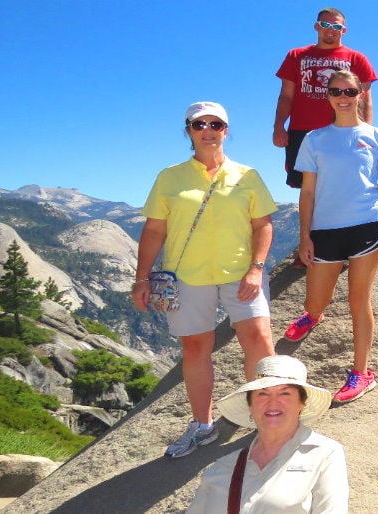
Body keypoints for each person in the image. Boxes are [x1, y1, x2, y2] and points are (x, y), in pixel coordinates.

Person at [133, 101, 277, 459]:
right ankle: (203, 425)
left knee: (258, 338)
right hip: (188, 276)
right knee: (196, 347)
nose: (208, 130)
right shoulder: (170, 177)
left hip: (240, 272)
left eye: (216, 124)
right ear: (189, 131)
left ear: (226, 131)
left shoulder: (247, 175)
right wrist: (142, 278)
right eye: (200, 125)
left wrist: (257, 267)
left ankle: (269, 418)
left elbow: (263, 225)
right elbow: (154, 231)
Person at [282, 69, 378, 404]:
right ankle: (314, 315)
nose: (343, 97)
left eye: (349, 91)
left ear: (361, 93)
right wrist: (304, 236)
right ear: (328, 96)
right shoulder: (315, 139)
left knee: (358, 300)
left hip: (367, 225)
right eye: (336, 91)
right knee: (314, 301)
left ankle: (361, 373)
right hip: (325, 229)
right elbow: (307, 193)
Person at [186, 355, 347, 513]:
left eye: (285, 393)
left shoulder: (324, 454)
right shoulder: (222, 467)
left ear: (302, 403)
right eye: (262, 394)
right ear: (250, 405)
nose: (272, 402)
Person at [273, 7, 378, 191]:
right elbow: (286, 96)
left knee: (345, 184)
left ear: (344, 30)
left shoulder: (357, 58)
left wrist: (367, 132)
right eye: (325, 24)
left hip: (344, 131)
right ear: (316, 26)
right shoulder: (296, 56)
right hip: (301, 132)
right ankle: (309, 222)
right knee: (306, 186)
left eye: (336, 26)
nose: (330, 29)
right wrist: (279, 126)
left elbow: (365, 99)